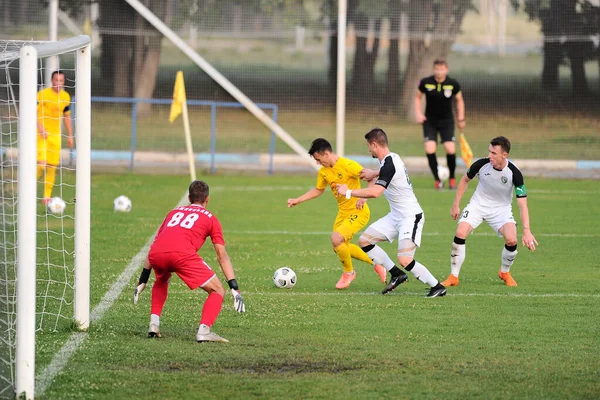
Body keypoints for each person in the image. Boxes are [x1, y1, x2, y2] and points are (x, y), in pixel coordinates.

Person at [336, 128, 447, 298]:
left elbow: (376, 192)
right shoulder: (392, 158)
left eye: (369, 146)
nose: (369, 150)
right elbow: (389, 172)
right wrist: (374, 173)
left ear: (374, 144)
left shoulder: (389, 163)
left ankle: (437, 287)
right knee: (365, 241)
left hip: (410, 217)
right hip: (396, 216)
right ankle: (397, 274)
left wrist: (348, 192)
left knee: (405, 259)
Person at [133, 180, 245, 343]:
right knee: (217, 290)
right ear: (207, 199)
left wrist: (142, 279)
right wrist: (234, 287)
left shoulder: (172, 213)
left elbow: (155, 245)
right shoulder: (211, 219)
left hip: (156, 254)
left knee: (162, 278)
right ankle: (204, 331)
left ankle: (154, 324)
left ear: (188, 197)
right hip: (181, 255)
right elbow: (221, 254)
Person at [287, 138, 387, 289]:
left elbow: (372, 177)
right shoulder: (324, 172)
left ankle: (349, 273)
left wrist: (364, 199)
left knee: (336, 239)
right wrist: (298, 200)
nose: (318, 163)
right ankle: (377, 263)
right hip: (343, 213)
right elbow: (318, 190)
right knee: (339, 246)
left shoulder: (349, 165)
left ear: (326, 153)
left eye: (318, 159)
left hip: (358, 212)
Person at [441, 136, 538, 288]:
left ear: (504, 155)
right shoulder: (481, 164)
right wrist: (456, 204)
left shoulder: (514, 173)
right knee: (460, 233)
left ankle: (504, 272)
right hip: (478, 205)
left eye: (493, 153)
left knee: (512, 240)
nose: (489, 156)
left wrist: (526, 231)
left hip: (501, 210)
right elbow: (464, 180)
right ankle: (454, 276)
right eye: (489, 152)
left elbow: (522, 204)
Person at [414, 59, 465, 190]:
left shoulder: (452, 84)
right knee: (429, 149)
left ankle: (452, 179)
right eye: (437, 69)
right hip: (429, 121)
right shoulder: (426, 82)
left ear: (446, 70)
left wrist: (461, 118)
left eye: (442, 69)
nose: (439, 71)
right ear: (434, 69)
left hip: (447, 121)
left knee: (450, 149)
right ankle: (437, 180)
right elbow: (417, 97)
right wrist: (418, 113)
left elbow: (459, 100)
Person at [37, 70, 74, 204]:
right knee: (41, 165)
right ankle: (27, 188)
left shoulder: (65, 97)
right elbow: (32, 112)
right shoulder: (42, 94)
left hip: (55, 136)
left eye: (61, 81)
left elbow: (67, 116)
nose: (58, 83)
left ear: (63, 82)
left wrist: (70, 135)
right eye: (56, 80)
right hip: (41, 135)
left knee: (52, 167)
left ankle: (46, 196)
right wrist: (40, 127)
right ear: (52, 80)